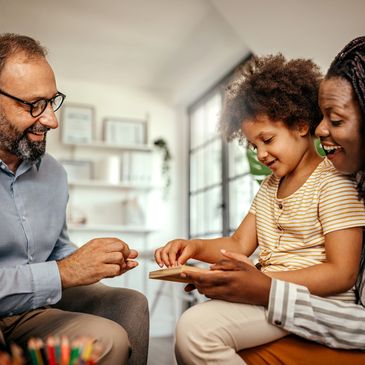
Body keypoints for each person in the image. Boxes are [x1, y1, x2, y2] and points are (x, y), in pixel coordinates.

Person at [155, 54, 365, 364]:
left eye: (267, 140)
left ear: (301, 125)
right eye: (254, 145)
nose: (261, 154)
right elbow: (239, 244)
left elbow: (342, 273)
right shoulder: (269, 187)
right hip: (270, 293)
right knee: (195, 327)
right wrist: (194, 247)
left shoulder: (334, 182)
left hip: (316, 302)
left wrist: (265, 284)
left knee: (196, 330)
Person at [0, 33, 148, 365]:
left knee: (124, 315)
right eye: (34, 104)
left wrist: (96, 260)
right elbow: (61, 269)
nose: (51, 119)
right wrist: (66, 271)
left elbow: (55, 252)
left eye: (52, 101)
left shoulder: (53, 174)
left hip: (29, 312)